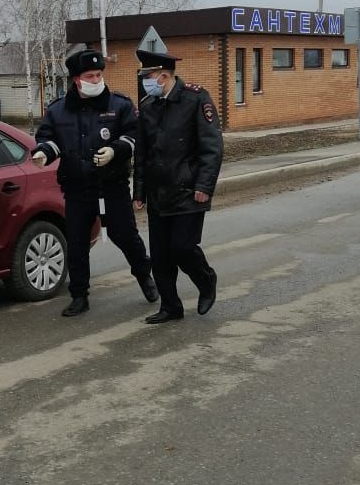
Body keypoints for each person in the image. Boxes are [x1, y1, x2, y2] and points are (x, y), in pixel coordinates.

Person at [32, 48, 158, 316]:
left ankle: (145, 278)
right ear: (76, 80)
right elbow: (49, 137)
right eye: (90, 76)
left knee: (125, 236)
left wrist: (115, 150)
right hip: (77, 189)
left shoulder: (120, 104)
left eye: (99, 74)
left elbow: (133, 135)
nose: (96, 80)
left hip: (112, 186)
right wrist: (44, 152)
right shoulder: (58, 110)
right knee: (76, 243)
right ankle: (79, 295)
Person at [132, 50, 224, 323]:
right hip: (159, 193)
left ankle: (206, 280)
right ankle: (171, 307)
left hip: (188, 190)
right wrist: (139, 192)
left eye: (148, 77)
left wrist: (204, 185)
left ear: (163, 76)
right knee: (160, 256)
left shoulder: (195, 99)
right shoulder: (149, 106)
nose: (145, 82)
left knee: (182, 248)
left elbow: (212, 148)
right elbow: (143, 154)